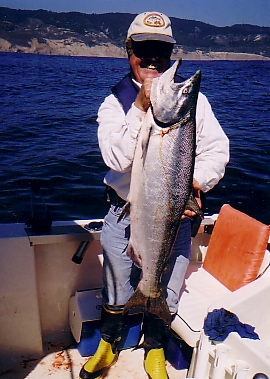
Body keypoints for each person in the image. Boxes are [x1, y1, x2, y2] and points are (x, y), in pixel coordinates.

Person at [79, 11, 229, 379]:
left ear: (170, 53)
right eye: (143, 49)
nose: (152, 60)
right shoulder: (115, 103)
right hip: (122, 214)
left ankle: (155, 348)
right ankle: (108, 344)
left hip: (174, 216)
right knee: (116, 285)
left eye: (161, 52)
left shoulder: (192, 103)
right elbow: (115, 157)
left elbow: (217, 151)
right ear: (128, 51)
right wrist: (141, 107)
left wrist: (193, 185)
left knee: (168, 287)